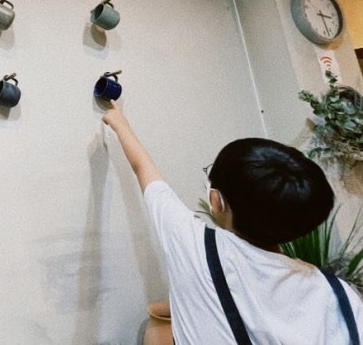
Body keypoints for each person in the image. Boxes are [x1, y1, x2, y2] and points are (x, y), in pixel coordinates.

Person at [101, 100, 363, 344]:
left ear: (216, 201)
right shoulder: (342, 298)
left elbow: (144, 170)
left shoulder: (194, 248)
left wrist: (119, 122)